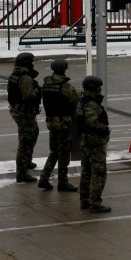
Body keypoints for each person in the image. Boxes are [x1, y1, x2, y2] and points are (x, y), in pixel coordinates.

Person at [38, 58, 79, 192]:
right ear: (64, 69)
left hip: (51, 121)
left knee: (54, 152)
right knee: (64, 153)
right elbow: (73, 101)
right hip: (63, 123)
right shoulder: (65, 86)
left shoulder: (46, 84)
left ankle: (44, 178)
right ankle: (63, 182)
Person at [77, 75, 112, 213]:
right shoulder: (91, 104)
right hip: (94, 142)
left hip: (85, 142)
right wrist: (105, 128)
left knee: (86, 173)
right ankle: (95, 203)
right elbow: (91, 123)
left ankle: (85, 200)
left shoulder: (82, 101)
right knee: (98, 173)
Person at [7, 52, 42, 183]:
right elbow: (28, 96)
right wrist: (39, 90)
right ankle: (22, 172)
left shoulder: (15, 74)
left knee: (34, 132)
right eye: (32, 61)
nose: (34, 63)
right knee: (25, 141)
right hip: (24, 112)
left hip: (18, 110)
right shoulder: (25, 77)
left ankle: (27, 161)